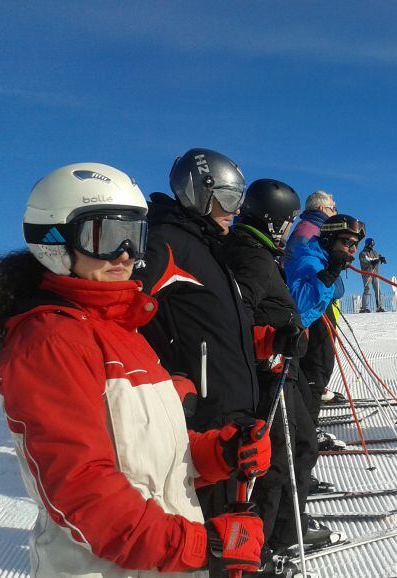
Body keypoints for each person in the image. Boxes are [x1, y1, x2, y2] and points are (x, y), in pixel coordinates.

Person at [0, 163, 268, 577]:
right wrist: (203, 546)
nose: (126, 253)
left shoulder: (122, 332)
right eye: (106, 236)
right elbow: (82, 490)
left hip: (158, 563)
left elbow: (147, 457)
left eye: (134, 236)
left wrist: (217, 452)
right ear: (56, 240)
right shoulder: (50, 341)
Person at [132, 149, 261, 526]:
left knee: (233, 529)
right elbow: (117, 316)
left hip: (231, 415)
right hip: (202, 418)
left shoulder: (208, 248)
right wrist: (158, 378)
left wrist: (261, 340)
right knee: (207, 529)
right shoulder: (167, 243)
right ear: (199, 193)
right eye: (229, 198)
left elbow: (214, 324)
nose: (235, 210)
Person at [222, 178, 335, 564]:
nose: (289, 229)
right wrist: (269, 341)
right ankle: (272, 539)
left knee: (295, 448)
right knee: (290, 452)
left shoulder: (255, 250)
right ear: (274, 221)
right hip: (269, 371)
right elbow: (236, 316)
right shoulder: (252, 257)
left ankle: (283, 527)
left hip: (276, 365)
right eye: (285, 222)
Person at [286, 190, 346, 412]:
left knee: (314, 366)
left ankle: (310, 405)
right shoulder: (314, 233)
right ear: (321, 209)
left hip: (317, 303)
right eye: (333, 207)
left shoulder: (307, 230)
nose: (336, 212)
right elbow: (310, 274)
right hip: (314, 308)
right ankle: (309, 429)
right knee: (318, 365)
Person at [285, 189, 337, 260]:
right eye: (333, 209)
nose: (336, 213)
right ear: (322, 208)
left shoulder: (306, 225)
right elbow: (297, 260)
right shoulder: (311, 230)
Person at [358, 237, 386, 312]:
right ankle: (364, 307)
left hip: (375, 273)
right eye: (370, 245)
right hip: (367, 274)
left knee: (378, 290)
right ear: (367, 245)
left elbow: (378, 256)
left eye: (372, 246)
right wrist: (373, 261)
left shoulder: (374, 252)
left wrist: (382, 258)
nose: (372, 247)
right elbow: (366, 262)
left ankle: (379, 306)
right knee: (367, 289)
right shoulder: (362, 253)